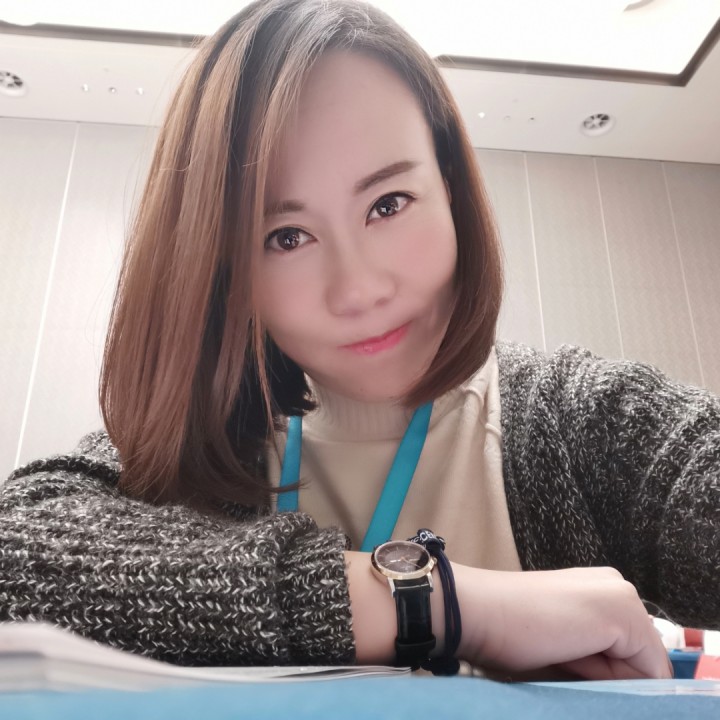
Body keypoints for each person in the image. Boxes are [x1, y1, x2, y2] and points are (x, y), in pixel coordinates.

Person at [1, 0, 717, 680]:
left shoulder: (581, 420)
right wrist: (439, 602)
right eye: (286, 237)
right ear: (222, 270)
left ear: (450, 187)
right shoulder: (197, 442)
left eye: (388, 203)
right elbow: (17, 555)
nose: (358, 290)